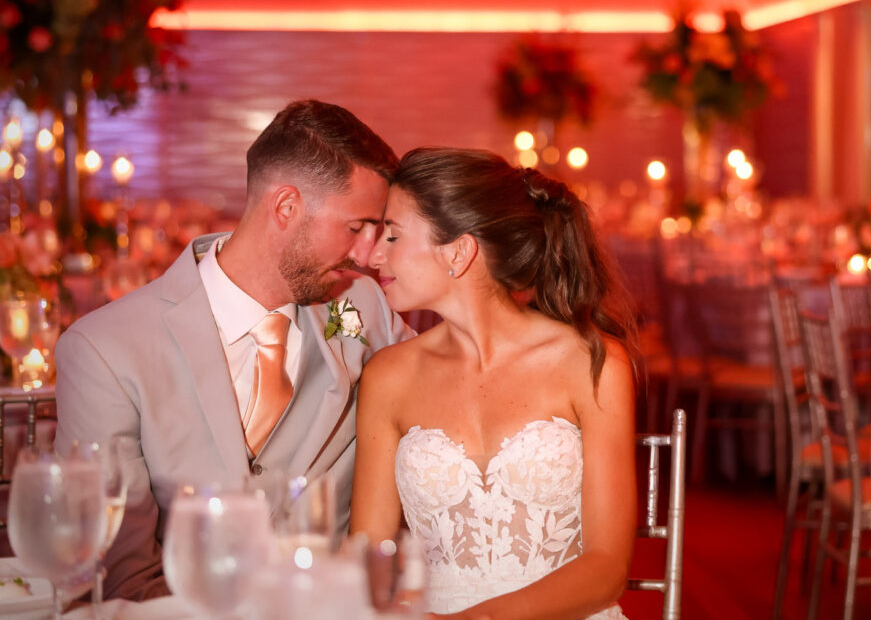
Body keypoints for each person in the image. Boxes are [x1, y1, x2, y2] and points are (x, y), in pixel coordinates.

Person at [55, 100, 414, 600]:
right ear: (286, 207)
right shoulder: (105, 350)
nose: (368, 254)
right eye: (356, 227)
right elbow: (121, 574)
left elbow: (452, 391)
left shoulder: (363, 306)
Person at [351, 147, 638, 620]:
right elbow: (368, 560)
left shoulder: (591, 364)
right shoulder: (387, 376)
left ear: (459, 252)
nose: (374, 254)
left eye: (393, 236)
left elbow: (607, 568)